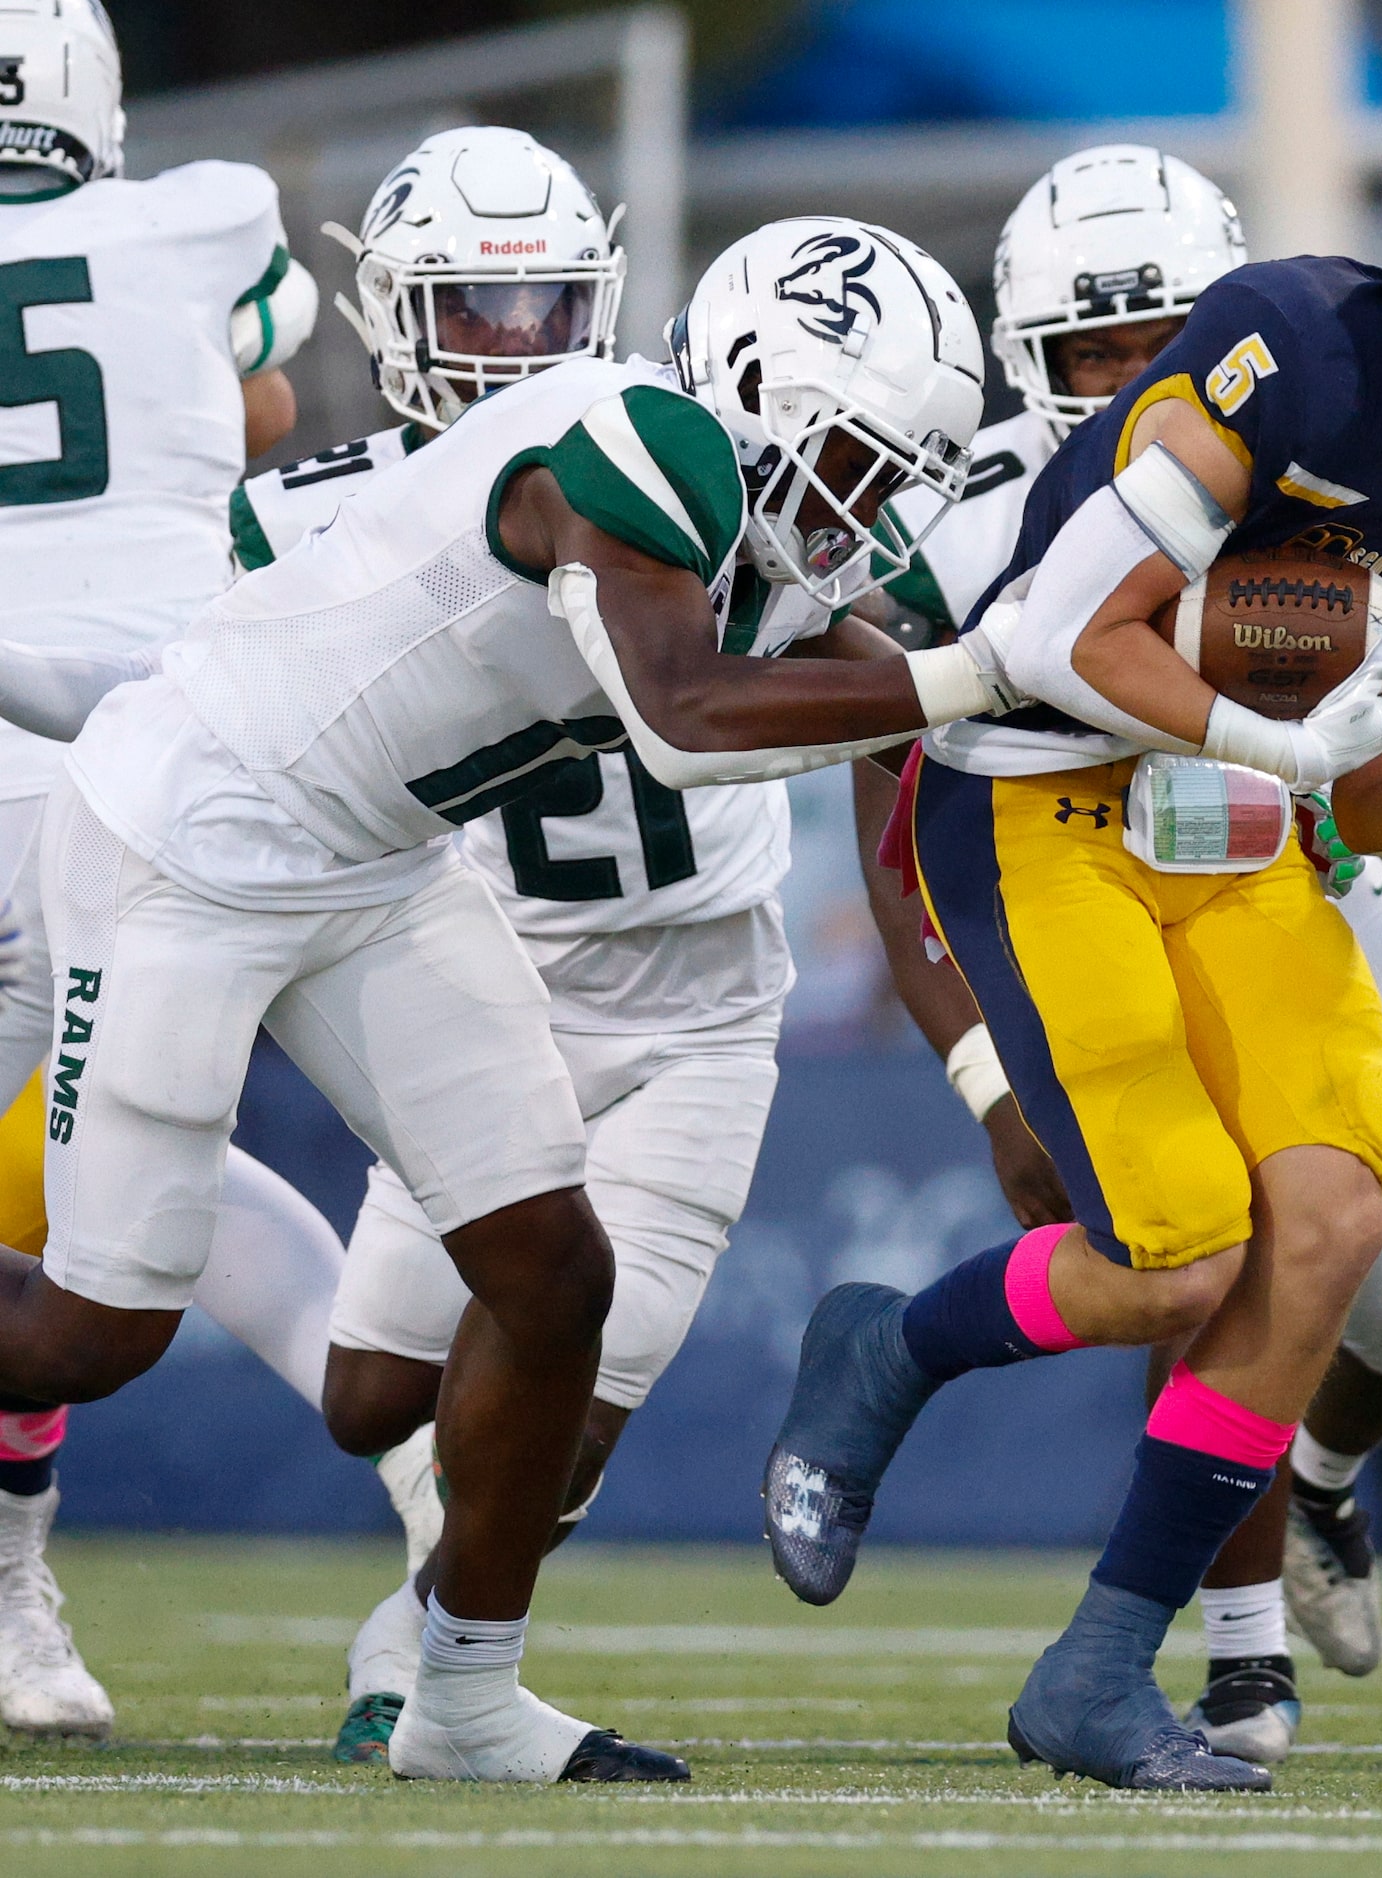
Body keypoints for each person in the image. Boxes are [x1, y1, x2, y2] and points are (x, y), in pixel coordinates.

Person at [764, 101, 1382, 1792]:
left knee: (1338, 1216)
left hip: (1231, 819)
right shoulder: (1300, 345)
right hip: (1044, 789)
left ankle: (1099, 1667)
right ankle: (891, 1343)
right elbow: (1052, 629)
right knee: (1180, 1253)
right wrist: (1282, 744)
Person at [0, 212, 1021, 1782]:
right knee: (90, 1330)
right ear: (757, 390)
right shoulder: (636, 444)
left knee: (553, 1269)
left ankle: (462, 1695)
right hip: (187, 836)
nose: (872, 514)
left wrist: (1053, 675)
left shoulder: (737, 520)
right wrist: (979, 673)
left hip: (378, 865)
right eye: (861, 465)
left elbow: (874, 656)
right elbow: (686, 717)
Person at [217, 127, 801, 1764]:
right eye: (472, 304)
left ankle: (423, 1653)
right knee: (372, 1394)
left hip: (697, 1003)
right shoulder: (311, 516)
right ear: (396, 312)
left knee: (574, 1409)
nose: (511, 341)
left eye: (545, 300)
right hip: (476, 976)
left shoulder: (688, 464)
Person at [0, 0, 346, 1742]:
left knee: (75, 1183)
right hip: (113, 756)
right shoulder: (192, 217)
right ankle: (16, 1591)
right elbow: (264, 388)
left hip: (63, 751)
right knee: (97, 1174)